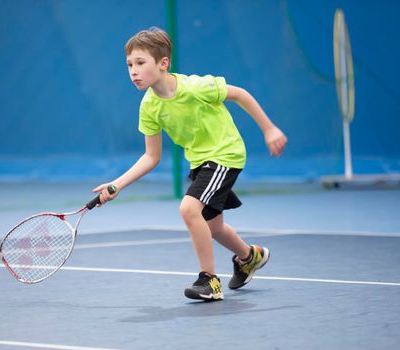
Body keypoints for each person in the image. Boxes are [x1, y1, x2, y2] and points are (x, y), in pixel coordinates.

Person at [93, 27, 287, 301]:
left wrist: (269, 129)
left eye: (140, 63)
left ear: (163, 64)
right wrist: (117, 184)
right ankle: (248, 257)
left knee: (188, 209)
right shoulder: (149, 107)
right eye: (129, 65)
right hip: (200, 161)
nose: (133, 71)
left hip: (225, 153)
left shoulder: (196, 87)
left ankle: (209, 280)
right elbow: (151, 156)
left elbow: (240, 94)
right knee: (213, 226)